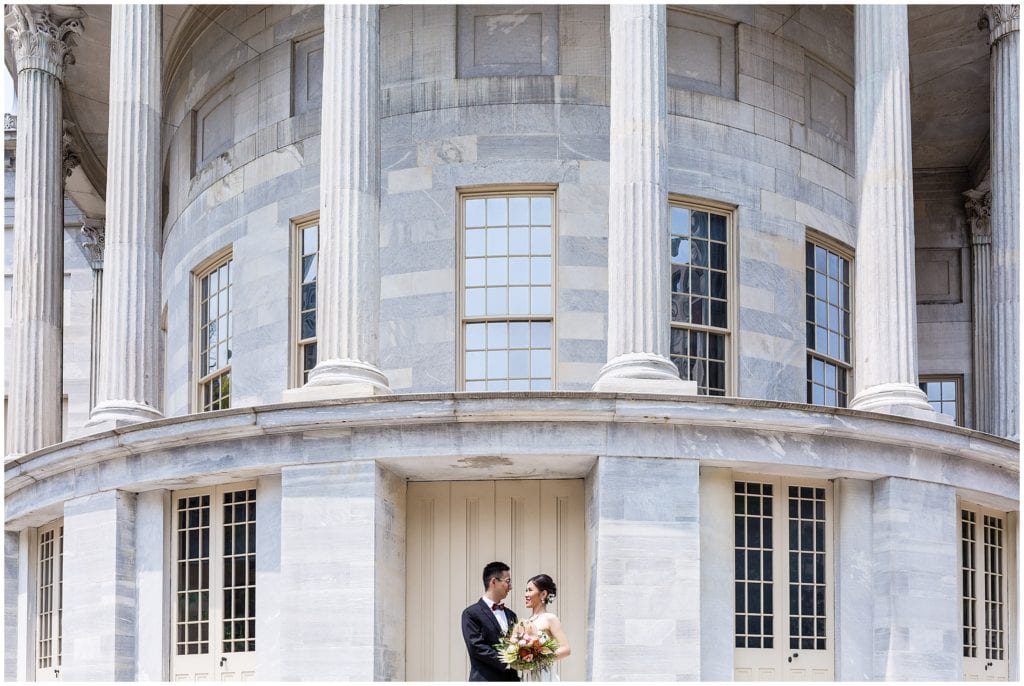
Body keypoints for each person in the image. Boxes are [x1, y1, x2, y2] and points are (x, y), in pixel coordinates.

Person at [462, 561, 520, 682]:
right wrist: (508, 661)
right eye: (507, 581)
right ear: (494, 581)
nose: (511, 587)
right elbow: (477, 647)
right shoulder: (471, 613)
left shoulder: (511, 615)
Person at [520, 574, 571, 682]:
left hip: (545, 677)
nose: (526, 594)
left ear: (543, 594)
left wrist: (538, 658)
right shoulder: (526, 621)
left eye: (530, 590)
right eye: (526, 590)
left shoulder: (550, 618)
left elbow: (566, 649)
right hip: (527, 676)